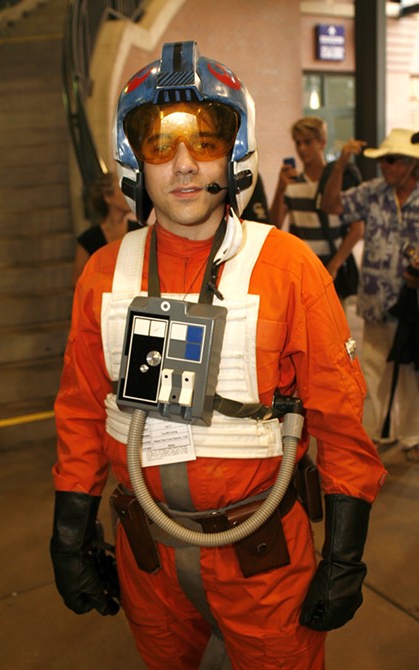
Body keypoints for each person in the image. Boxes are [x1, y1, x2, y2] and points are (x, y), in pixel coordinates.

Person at [50, 41, 386, 670]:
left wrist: (345, 553)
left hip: (264, 565)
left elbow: (340, 422)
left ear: (235, 154)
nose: (182, 166)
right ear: (133, 161)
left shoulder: (288, 270)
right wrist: (70, 530)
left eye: (204, 141)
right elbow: (78, 409)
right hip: (145, 558)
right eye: (159, 144)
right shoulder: (104, 275)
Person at [321, 128, 419, 461]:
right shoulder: (374, 192)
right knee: (376, 368)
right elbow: (332, 204)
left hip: (413, 301)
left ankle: (412, 435)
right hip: (377, 299)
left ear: (410, 163)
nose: (384, 167)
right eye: (382, 161)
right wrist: (341, 163)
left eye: (390, 161)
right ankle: (383, 431)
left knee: (412, 371)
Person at [269, 116, 363, 302]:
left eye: (307, 142)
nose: (302, 148)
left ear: (322, 142)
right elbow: (275, 224)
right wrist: (280, 189)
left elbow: (357, 229)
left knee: (333, 327)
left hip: (330, 269)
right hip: (300, 269)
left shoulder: (336, 181)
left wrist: (334, 266)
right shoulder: (292, 182)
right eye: (298, 143)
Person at [71, 171, 141, 286]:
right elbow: (77, 282)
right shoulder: (88, 239)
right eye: (122, 189)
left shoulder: (140, 232)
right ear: (108, 197)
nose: (129, 195)